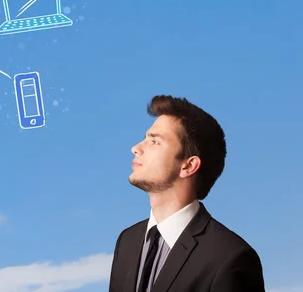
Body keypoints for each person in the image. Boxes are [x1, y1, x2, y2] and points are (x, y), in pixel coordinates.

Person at [109, 95, 265, 292]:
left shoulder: (229, 258)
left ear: (189, 166)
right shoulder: (127, 241)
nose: (136, 148)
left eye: (155, 141)